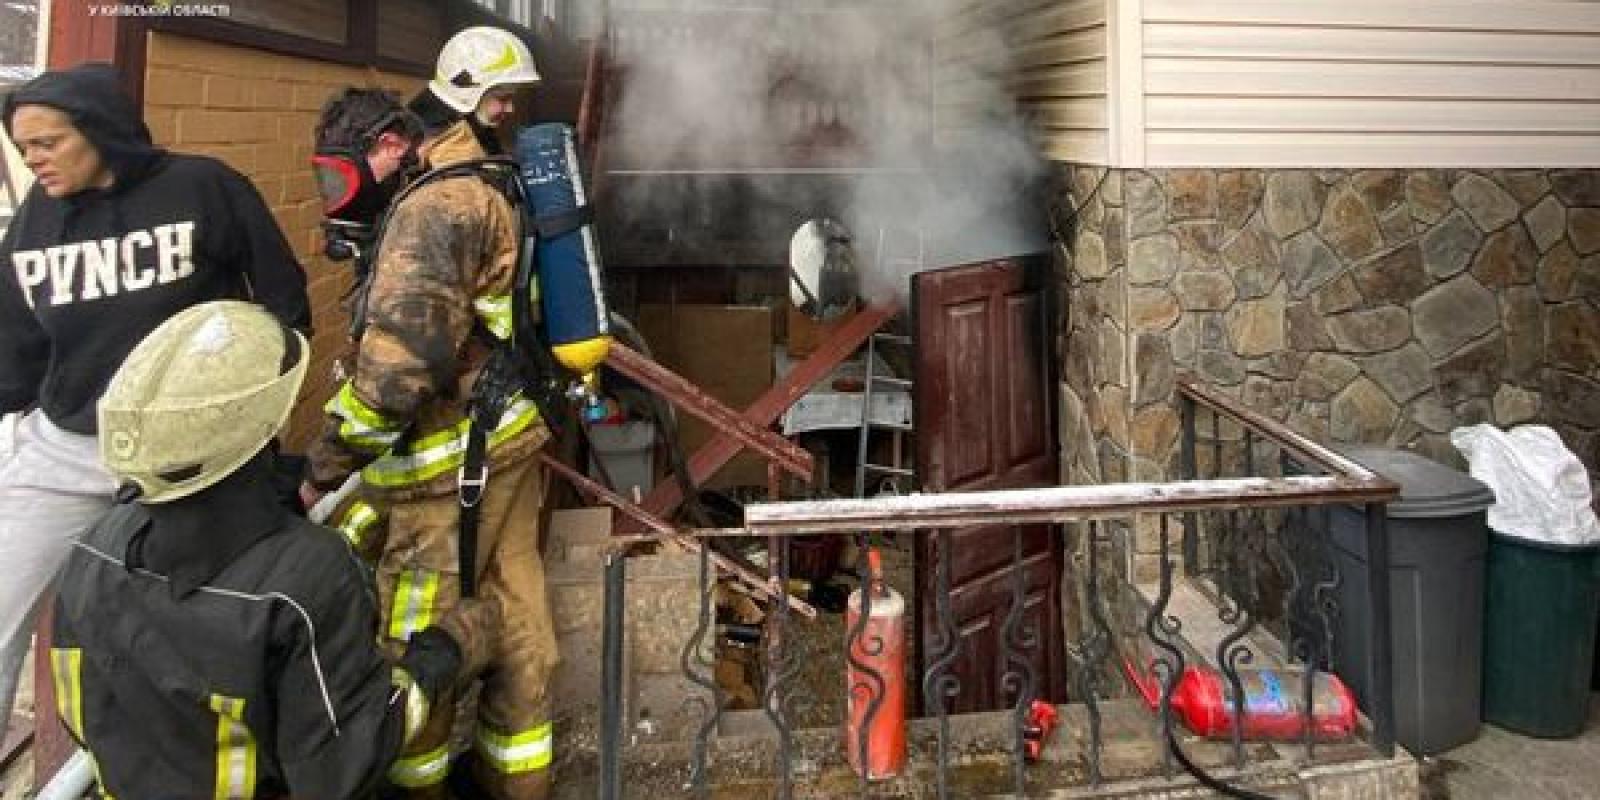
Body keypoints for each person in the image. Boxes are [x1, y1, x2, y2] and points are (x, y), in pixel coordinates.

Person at [50, 300, 493, 799]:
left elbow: (83, 717)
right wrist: (440, 656)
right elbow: (343, 767)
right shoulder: (307, 582)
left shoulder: (94, 551)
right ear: (267, 430)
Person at [0, 62, 310, 741]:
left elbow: (282, 304)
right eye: (23, 148)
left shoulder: (204, 187)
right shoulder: (34, 223)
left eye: (47, 142)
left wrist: (254, 420)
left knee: (172, 630)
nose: (33, 160)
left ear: (100, 131)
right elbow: (15, 342)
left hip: (189, 458)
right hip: (66, 450)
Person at [302, 27, 556, 800]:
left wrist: (322, 470)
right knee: (522, 637)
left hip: (444, 472)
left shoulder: (435, 206)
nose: (509, 114)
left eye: (346, 175)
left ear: (389, 145)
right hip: (507, 447)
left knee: (420, 647)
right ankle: (519, 786)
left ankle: (418, 788)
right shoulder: (485, 180)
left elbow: (397, 372)